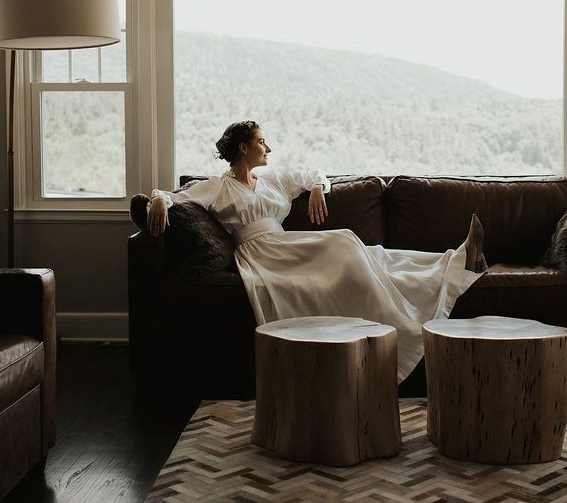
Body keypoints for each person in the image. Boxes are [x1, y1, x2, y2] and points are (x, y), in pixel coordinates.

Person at [147, 120, 486, 382]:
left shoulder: (274, 179)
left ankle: (455, 260)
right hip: (262, 254)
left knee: (375, 256)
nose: (269, 147)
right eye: (262, 141)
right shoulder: (217, 187)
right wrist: (160, 201)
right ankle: (416, 315)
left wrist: (317, 190)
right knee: (346, 243)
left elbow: (313, 173)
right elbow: (174, 195)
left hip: (285, 244)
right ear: (242, 147)